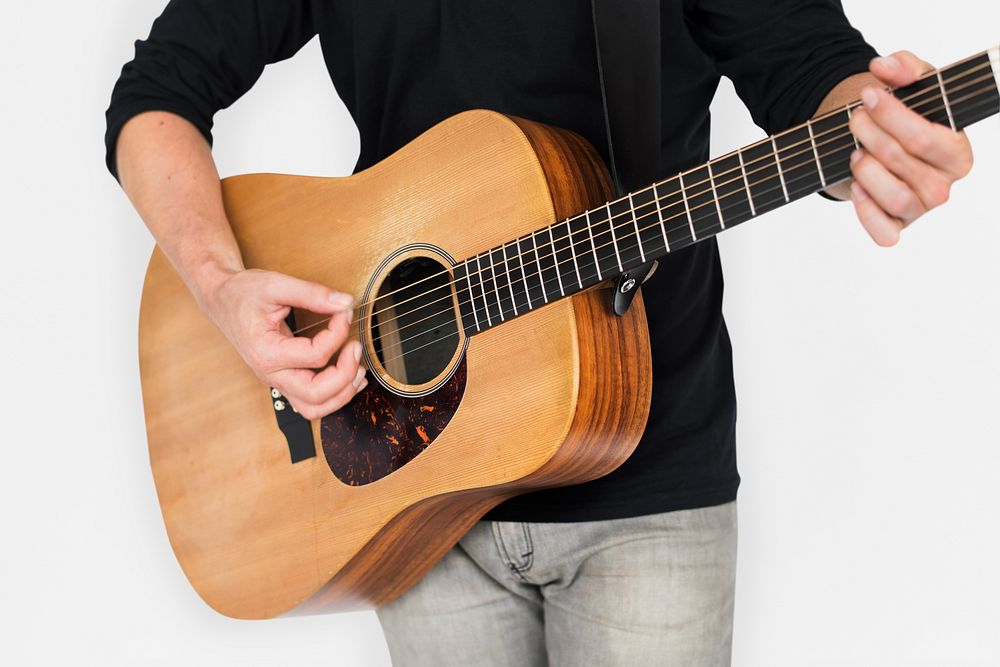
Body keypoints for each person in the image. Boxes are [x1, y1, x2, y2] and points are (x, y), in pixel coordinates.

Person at [106, 1, 974, 664]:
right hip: (412, 479)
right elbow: (156, 97)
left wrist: (875, 126)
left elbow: (806, 64)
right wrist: (220, 286)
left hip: (646, 462)